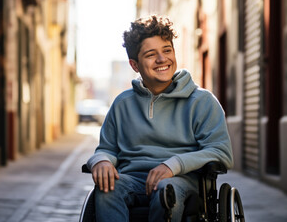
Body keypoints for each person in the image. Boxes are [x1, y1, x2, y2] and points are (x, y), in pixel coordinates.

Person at [86, 14, 233, 222]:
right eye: (151, 54)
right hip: (133, 180)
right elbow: (107, 148)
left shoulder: (202, 101)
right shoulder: (122, 104)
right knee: (108, 188)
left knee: (165, 190)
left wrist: (173, 165)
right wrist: (101, 161)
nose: (162, 59)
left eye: (167, 50)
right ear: (135, 65)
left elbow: (221, 152)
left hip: (182, 181)